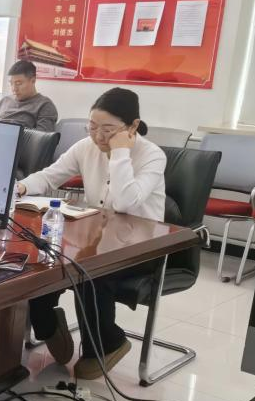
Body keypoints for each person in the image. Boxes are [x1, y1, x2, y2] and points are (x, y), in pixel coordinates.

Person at [16, 88, 166, 380]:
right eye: (92, 127)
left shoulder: (152, 156)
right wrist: (22, 187)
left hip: (142, 247)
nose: (98, 136)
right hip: (98, 238)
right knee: (42, 259)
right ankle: (47, 326)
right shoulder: (86, 146)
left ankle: (109, 343)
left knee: (88, 271)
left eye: (108, 130)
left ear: (133, 126)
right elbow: (50, 176)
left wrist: (120, 151)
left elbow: (124, 203)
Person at [0, 60, 59, 132]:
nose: (14, 89)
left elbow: (43, 137)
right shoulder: (5, 100)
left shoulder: (45, 105)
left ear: (33, 80)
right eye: (11, 83)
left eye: (18, 83)